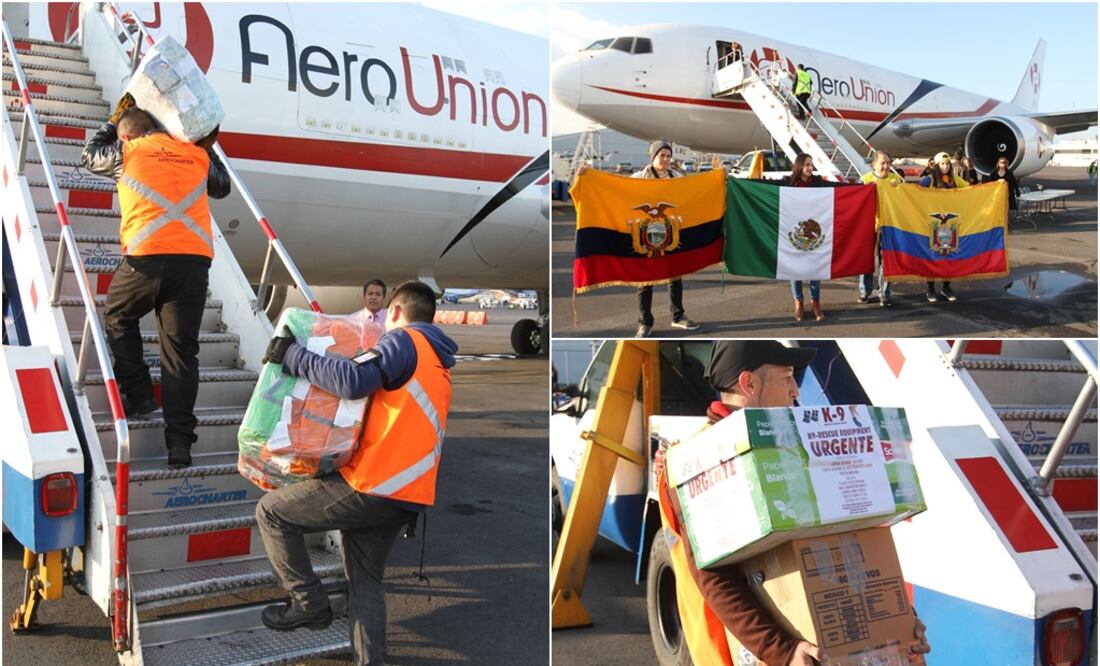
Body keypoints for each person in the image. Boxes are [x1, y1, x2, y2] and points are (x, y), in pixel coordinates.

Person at [655, 340, 932, 666]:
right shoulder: (701, 458)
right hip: (751, 651)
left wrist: (899, 619)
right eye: (786, 378)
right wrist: (783, 651)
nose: (796, 391)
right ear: (749, 383)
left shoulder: (790, 440)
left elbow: (852, 535)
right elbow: (714, 576)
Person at [255, 280, 457, 665]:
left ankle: (308, 602)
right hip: (407, 493)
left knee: (273, 513)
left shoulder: (404, 341)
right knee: (365, 579)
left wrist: (293, 356)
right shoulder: (439, 361)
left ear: (394, 312)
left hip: (373, 483)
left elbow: (352, 380)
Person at [82, 106, 231, 468]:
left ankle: (140, 395)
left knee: (118, 316)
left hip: (145, 261)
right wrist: (204, 142)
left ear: (126, 135)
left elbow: (88, 156)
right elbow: (223, 187)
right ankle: (179, 445)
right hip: (193, 264)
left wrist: (112, 121)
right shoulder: (194, 153)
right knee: (181, 355)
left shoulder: (126, 152)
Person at [630, 140, 703, 337]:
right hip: (646, 234)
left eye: (668, 156)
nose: (665, 159)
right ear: (652, 156)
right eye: (661, 155)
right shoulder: (638, 178)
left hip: (670, 231)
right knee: (645, 280)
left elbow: (692, 193)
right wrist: (586, 176)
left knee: (675, 275)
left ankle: (677, 316)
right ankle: (645, 322)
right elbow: (618, 192)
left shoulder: (676, 177)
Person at [919, 152, 969, 303]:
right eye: (942, 164)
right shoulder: (930, 179)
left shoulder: (955, 179)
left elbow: (971, 190)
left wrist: (994, 186)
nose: (946, 166)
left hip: (950, 224)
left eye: (947, 163)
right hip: (933, 223)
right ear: (937, 165)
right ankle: (930, 289)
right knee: (933, 254)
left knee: (948, 254)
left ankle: (946, 287)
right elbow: (914, 192)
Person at [859, 150, 903, 308]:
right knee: (866, 260)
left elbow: (904, 201)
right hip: (868, 226)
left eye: (888, 163)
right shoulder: (865, 180)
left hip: (888, 226)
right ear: (874, 164)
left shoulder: (895, 179)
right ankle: (865, 291)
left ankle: (884, 293)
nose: (886, 166)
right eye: (882, 163)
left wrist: (898, 189)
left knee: (886, 261)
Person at [786, 154, 827, 322]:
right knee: (794, 269)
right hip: (793, 230)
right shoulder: (789, 182)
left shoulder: (817, 182)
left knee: (814, 268)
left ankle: (815, 302)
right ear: (799, 166)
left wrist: (863, 187)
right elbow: (768, 185)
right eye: (807, 164)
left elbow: (837, 187)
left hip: (814, 229)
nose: (810, 168)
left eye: (811, 164)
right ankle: (799, 303)